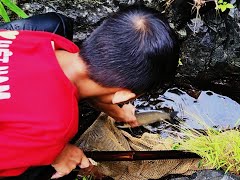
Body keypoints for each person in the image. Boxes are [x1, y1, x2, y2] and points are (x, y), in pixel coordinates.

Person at [0, 5, 179, 179]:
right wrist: (54, 153)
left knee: (56, 22)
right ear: (124, 96)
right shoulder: (58, 125)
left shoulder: (42, 38)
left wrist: (109, 105)